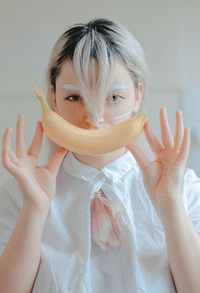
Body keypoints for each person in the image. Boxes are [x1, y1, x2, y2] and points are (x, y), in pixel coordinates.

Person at [0, 18, 200, 293]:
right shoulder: (19, 195)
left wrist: (170, 203)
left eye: (113, 97)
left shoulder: (185, 189)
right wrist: (34, 211)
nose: (94, 118)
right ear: (53, 97)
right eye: (74, 97)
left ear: (138, 95)